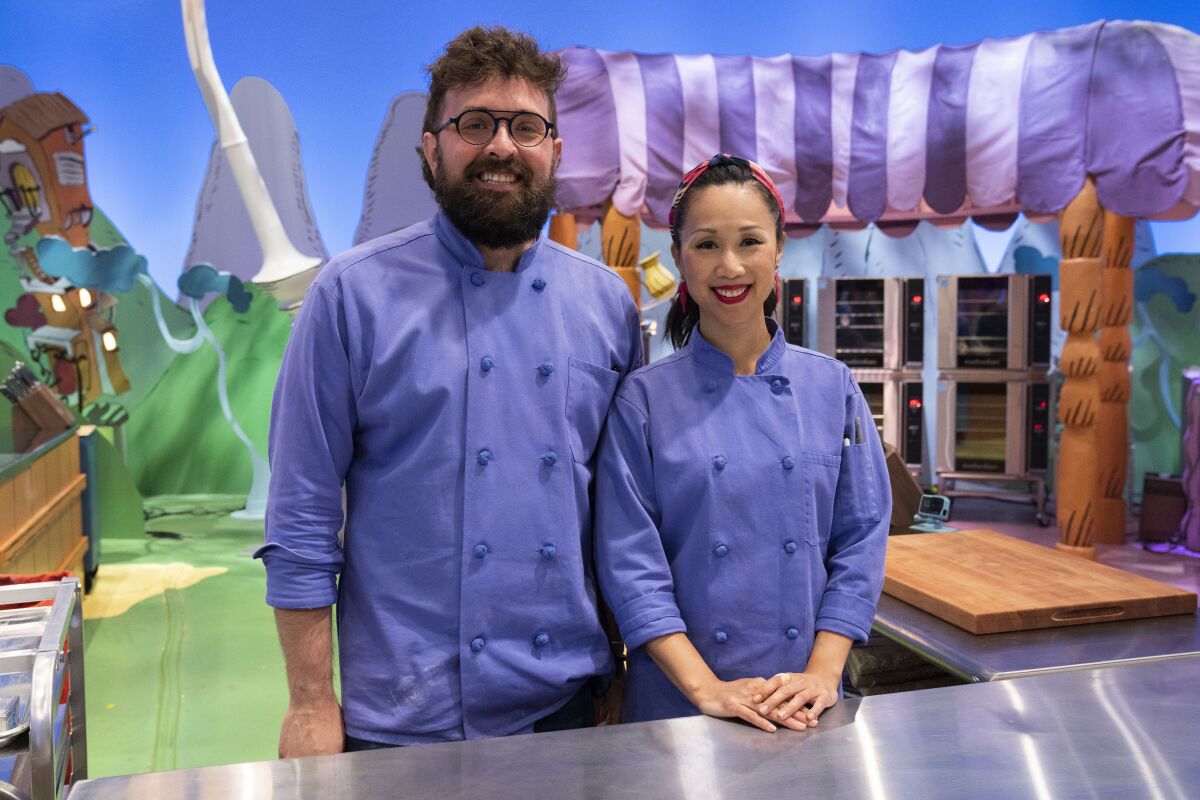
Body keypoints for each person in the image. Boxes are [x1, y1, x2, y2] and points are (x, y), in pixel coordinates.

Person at [256, 25, 641, 755]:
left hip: (566, 709)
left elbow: (622, 515)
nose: (501, 145)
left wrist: (622, 667)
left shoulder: (607, 307)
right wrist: (310, 702)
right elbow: (302, 510)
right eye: (474, 124)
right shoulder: (351, 295)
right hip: (399, 720)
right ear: (431, 151)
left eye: (526, 126)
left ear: (555, 151)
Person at [594, 155, 890, 732]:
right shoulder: (643, 400)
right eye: (706, 245)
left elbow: (861, 538)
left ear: (779, 248)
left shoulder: (833, 387)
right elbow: (630, 565)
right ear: (679, 258)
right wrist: (706, 690)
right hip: (679, 708)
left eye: (749, 241)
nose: (729, 266)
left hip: (807, 701)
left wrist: (823, 675)